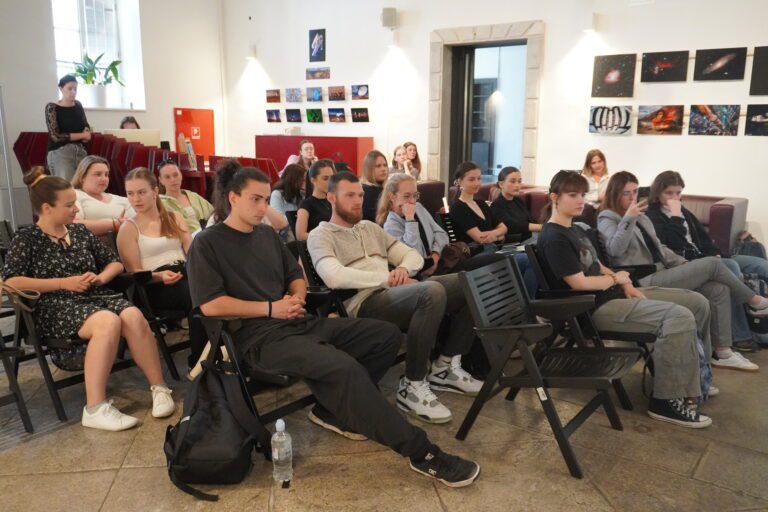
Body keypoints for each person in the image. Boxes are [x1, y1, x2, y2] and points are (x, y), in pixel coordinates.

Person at [186, 164, 480, 488]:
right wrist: (270, 308)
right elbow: (210, 305)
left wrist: (296, 298)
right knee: (343, 367)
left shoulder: (266, 235)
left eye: (266, 199)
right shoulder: (207, 242)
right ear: (233, 198)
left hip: (295, 321)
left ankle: (334, 410)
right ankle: (422, 452)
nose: (262, 207)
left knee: (384, 336)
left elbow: (295, 276)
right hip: (257, 338)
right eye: (255, 199)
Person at [537, 170, 714, 428]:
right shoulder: (554, 237)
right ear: (554, 197)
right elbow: (579, 283)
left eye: (582, 194)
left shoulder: (574, 229)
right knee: (678, 316)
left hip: (612, 295)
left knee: (697, 303)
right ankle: (665, 401)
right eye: (572, 195)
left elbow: (597, 265)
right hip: (590, 308)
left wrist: (626, 283)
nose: (580, 200)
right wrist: (616, 280)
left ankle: (696, 379)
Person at [3, 167, 174, 431]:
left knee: (133, 315)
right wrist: (63, 283)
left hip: (94, 295)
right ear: (47, 208)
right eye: (69, 205)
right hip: (54, 305)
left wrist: (101, 277)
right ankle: (95, 408)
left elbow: (114, 263)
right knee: (107, 321)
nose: (75, 209)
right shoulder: (27, 238)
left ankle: (159, 388)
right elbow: (11, 282)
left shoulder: (80, 232)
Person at [308, 171, 482, 424]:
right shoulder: (320, 235)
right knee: (431, 291)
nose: (357, 201)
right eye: (350, 195)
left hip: (391, 293)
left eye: (360, 195)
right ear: (332, 198)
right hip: (362, 303)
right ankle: (412, 384)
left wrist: (401, 270)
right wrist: (386, 279)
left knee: (468, 281)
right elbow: (333, 276)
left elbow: (412, 256)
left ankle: (444, 366)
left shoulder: (369, 228)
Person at [597, 171, 768, 372]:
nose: (632, 197)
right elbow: (614, 250)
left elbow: (661, 248)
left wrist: (684, 263)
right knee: (713, 264)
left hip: (663, 270)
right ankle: (755, 302)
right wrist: (628, 219)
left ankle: (723, 352)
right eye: (627, 193)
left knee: (717, 288)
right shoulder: (608, 217)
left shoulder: (642, 217)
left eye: (635, 192)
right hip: (641, 279)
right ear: (615, 193)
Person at [646, 170, 768, 352]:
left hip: (709, 257)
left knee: (760, 265)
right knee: (732, 267)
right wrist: (676, 216)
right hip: (691, 264)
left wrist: (715, 253)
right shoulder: (653, 216)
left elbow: (704, 239)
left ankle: (759, 313)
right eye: (669, 193)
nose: (675, 197)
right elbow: (671, 243)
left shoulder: (685, 211)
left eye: (678, 193)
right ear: (658, 193)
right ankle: (740, 335)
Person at [117, 167, 206, 370]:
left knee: (214, 287)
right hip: (152, 285)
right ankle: (200, 361)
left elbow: (192, 253)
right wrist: (159, 277)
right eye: (130, 193)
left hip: (182, 272)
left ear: (155, 191)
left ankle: (218, 351)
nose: (136, 199)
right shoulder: (128, 228)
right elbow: (135, 274)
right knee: (198, 296)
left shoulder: (174, 217)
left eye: (141, 192)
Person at [451, 161, 537, 296]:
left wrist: (494, 234)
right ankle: (527, 302)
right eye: (471, 179)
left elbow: (504, 228)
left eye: (479, 178)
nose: (477, 183)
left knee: (534, 257)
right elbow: (480, 238)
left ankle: (524, 300)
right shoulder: (458, 207)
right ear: (459, 181)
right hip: (475, 255)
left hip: (493, 250)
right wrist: (497, 234)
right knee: (529, 259)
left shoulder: (481, 203)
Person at [379, 173, 448, 277]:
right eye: (406, 196)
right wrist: (410, 220)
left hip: (440, 264)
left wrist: (435, 255)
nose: (412, 201)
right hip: (422, 277)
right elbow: (415, 256)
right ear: (392, 197)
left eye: (415, 195)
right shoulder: (390, 226)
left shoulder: (418, 207)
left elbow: (441, 233)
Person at [71, 155, 134, 236]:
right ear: (82, 176)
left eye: (106, 174)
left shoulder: (123, 200)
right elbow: (75, 225)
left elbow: (138, 223)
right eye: (98, 174)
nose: (104, 179)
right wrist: (115, 224)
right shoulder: (75, 195)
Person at [45, 75, 91, 180]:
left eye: (75, 89)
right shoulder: (52, 107)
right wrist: (83, 135)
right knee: (67, 186)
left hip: (80, 150)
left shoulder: (78, 105)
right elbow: (56, 136)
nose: (73, 92)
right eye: (70, 88)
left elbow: (86, 125)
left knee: (84, 185)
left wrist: (87, 133)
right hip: (60, 152)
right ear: (61, 89)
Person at [156, 159, 214, 233]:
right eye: (167, 177)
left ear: (181, 175)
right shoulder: (161, 203)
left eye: (175, 175)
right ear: (161, 180)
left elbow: (214, 214)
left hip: (207, 234)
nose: (173, 180)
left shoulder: (193, 196)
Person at [490, 166, 542, 243]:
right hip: (515, 243)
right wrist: (541, 227)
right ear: (501, 184)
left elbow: (530, 220)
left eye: (519, 181)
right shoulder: (496, 206)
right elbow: (513, 226)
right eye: (513, 181)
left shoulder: (518, 201)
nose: (517, 185)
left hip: (530, 237)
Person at [295, 159, 335, 241]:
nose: (330, 182)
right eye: (325, 178)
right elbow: (300, 235)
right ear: (313, 180)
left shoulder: (332, 201)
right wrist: (326, 237)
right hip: (320, 245)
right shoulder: (306, 204)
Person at [361, 150, 389, 222]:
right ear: (369, 169)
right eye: (378, 166)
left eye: (385, 165)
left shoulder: (383, 188)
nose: (383, 169)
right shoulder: (366, 191)